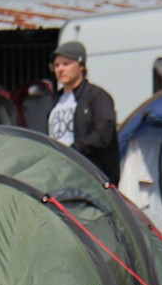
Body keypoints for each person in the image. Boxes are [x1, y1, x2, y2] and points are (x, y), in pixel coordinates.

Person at [47, 41, 119, 182]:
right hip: (59, 175)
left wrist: (72, 151)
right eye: (56, 65)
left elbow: (102, 135)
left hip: (91, 176)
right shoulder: (56, 100)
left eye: (66, 64)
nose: (60, 69)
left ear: (81, 66)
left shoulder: (97, 96)